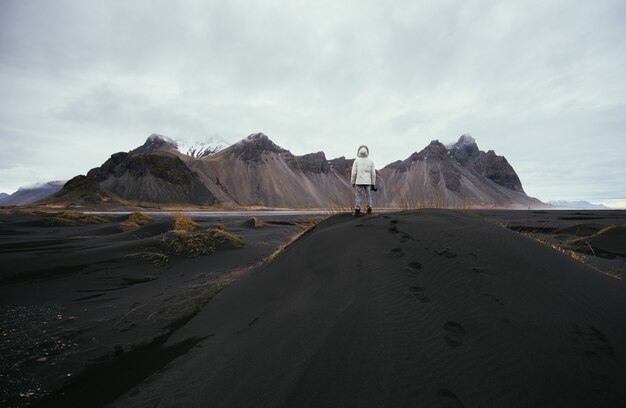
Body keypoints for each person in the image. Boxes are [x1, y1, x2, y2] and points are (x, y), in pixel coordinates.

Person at [350, 145, 376, 216]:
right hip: (368, 182)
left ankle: (357, 210)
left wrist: (353, 182)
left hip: (359, 181)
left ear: (359, 152)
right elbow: (373, 174)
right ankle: (369, 210)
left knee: (358, 196)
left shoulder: (356, 161)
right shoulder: (370, 161)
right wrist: (373, 184)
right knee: (368, 195)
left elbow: (354, 172)